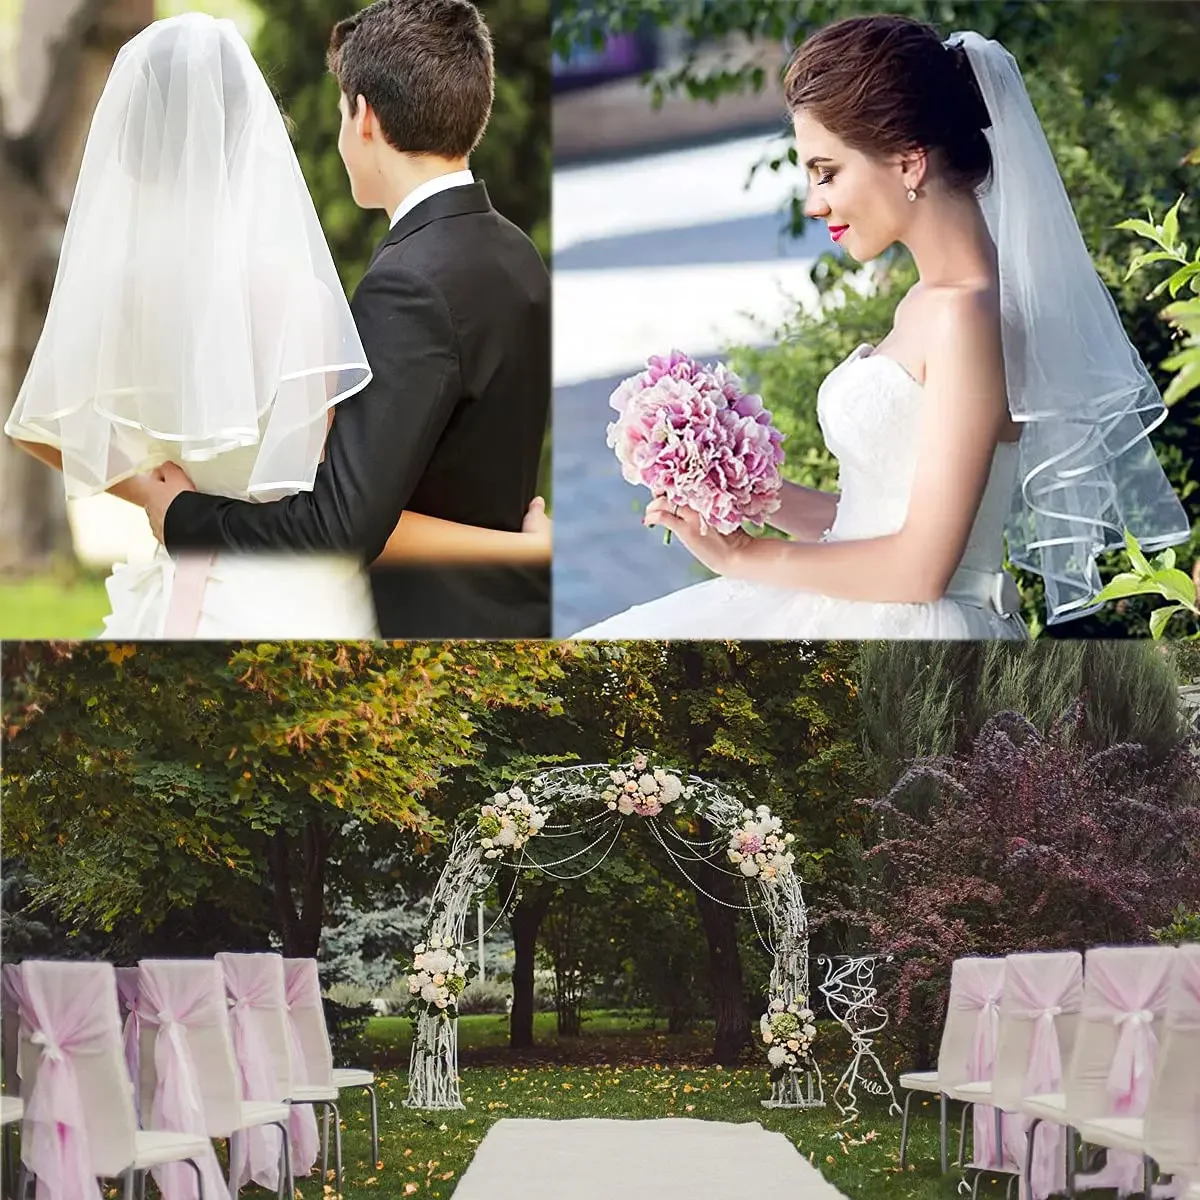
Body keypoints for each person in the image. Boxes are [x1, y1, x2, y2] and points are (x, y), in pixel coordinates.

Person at [573, 15, 1189, 640]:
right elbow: (874, 523)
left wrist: (745, 557)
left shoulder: (964, 313)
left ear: (908, 162)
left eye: (827, 171)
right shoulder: (931, 303)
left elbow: (923, 569)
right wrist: (740, 487)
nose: (814, 202)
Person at [7, 3, 551, 639]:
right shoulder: (512, 256)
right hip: (309, 601)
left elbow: (38, 428)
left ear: (362, 115)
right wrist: (526, 551)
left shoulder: (119, 292)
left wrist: (162, 498)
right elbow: (341, 509)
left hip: (197, 588)